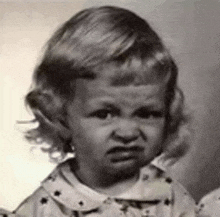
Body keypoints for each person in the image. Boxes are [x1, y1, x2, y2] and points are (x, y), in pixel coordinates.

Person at [0, 6, 196, 216]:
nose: (127, 133)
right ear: (61, 118)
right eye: (105, 114)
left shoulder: (171, 198)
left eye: (146, 113)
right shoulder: (45, 209)